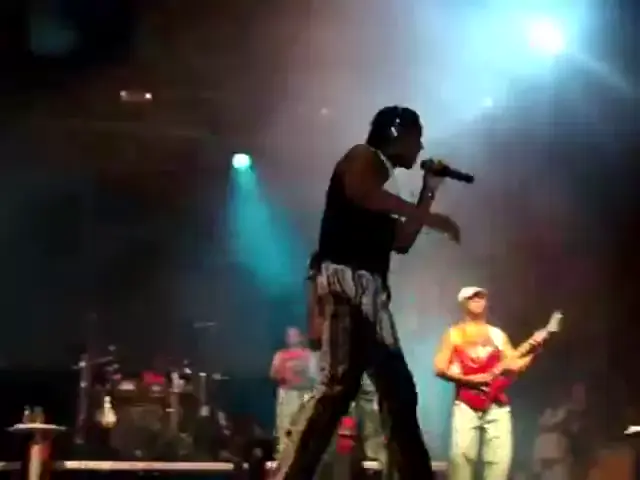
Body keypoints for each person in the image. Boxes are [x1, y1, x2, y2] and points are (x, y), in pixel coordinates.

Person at [274, 105, 460, 480]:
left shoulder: (384, 186)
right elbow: (364, 193)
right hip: (349, 289)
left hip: (369, 298)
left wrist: (428, 191)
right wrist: (430, 218)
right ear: (396, 134)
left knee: (396, 392)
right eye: (416, 137)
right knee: (339, 388)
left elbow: (402, 241)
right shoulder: (363, 157)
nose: (420, 147)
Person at [433, 287, 550, 480]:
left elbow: (513, 366)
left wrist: (535, 351)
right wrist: (470, 381)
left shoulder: (497, 335)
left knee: (499, 462)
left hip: (497, 405)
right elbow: (439, 368)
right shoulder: (453, 334)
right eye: (472, 297)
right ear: (463, 303)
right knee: (461, 459)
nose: (478, 300)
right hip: (466, 405)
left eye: (481, 297)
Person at [270, 326, 317, 456]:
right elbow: (273, 374)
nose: (292, 337)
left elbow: (315, 375)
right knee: (285, 424)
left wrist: (302, 372)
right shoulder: (281, 355)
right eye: (289, 335)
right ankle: (282, 454)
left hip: (306, 393)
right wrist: (285, 374)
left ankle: (304, 454)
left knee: (305, 424)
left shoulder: (308, 354)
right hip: (288, 393)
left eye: (294, 335)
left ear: (300, 337)